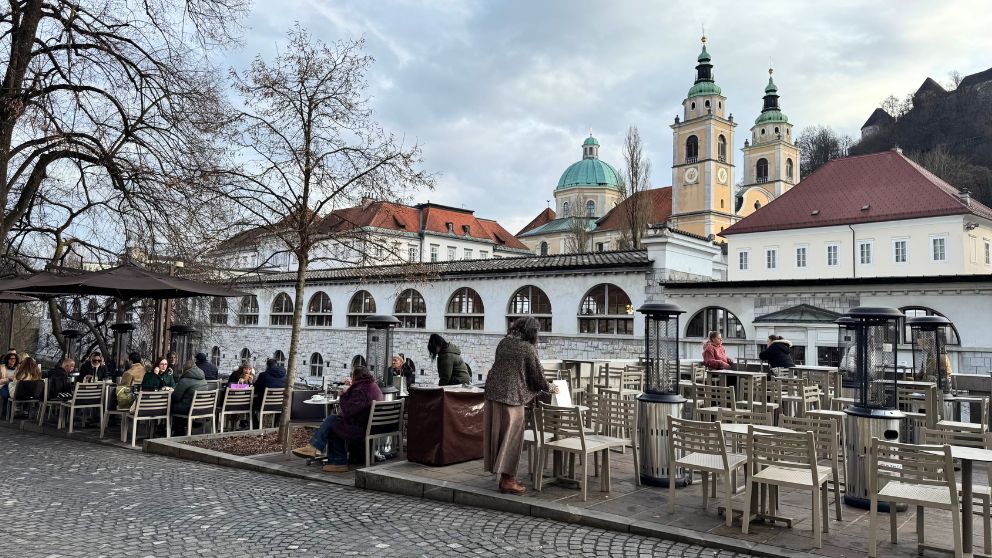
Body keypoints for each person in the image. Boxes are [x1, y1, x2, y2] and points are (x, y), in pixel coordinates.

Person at [483, 317, 558, 495]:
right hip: (512, 397)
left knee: (498, 437)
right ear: (532, 332)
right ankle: (507, 480)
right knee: (512, 439)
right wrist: (552, 388)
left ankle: (503, 477)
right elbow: (538, 377)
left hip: (493, 394)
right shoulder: (527, 348)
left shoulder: (504, 342)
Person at [291, 365, 383, 473]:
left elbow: (348, 411)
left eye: (352, 375)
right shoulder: (372, 386)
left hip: (361, 428)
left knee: (333, 424)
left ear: (355, 376)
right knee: (333, 420)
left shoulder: (361, 390)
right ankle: (325, 455)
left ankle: (335, 460)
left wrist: (344, 395)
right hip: (370, 426)